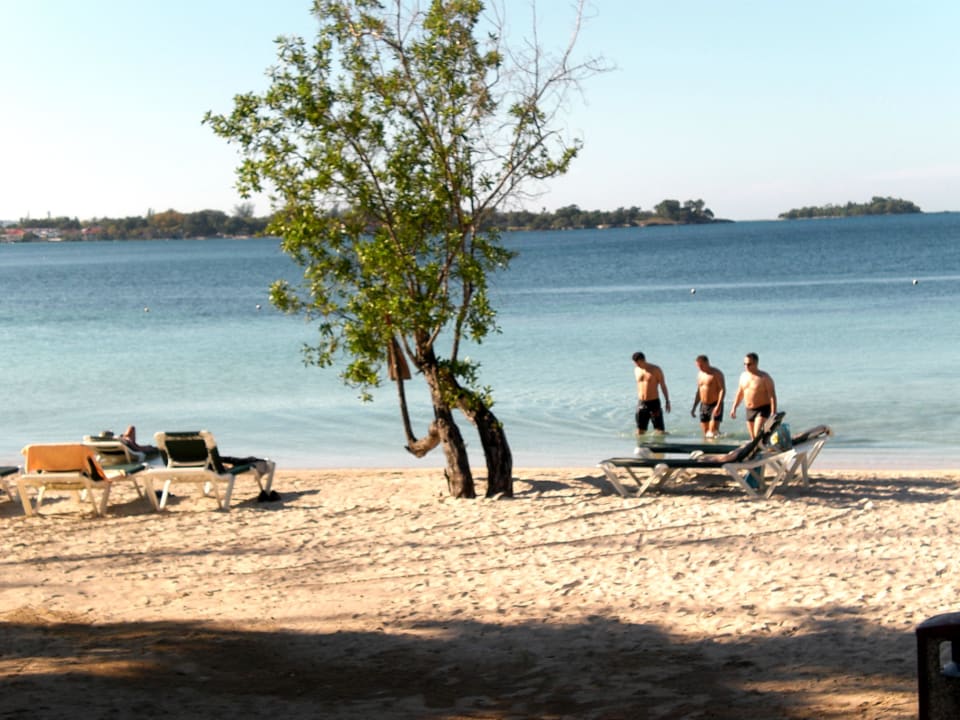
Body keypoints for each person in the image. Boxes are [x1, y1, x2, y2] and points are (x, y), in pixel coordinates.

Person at [730, 352, 777, 438]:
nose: (746, 366)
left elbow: (772, 396)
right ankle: (761, 449)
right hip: (749, 410)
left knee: (757, 434)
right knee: (753, 438)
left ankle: (765, 447)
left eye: (749, 364)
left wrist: (773, 413)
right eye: (744, 364)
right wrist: (734, 407)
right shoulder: (743, 376)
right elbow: (740, 393)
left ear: (756, 363)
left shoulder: (764, 377)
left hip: (763, 409)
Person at [632, 351, 671, 436]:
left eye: (638, 363)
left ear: (643, 360)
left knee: (659, 431)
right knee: (640, 431)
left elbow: (663, 386)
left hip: (654, 403)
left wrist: (667, 401)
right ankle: (641, 447)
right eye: (635, 363)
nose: (637, 365)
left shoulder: (656, 369)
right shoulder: (636, 370)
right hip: (641, 403)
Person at [690, 354, 725, 437]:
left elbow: (722, 390)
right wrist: (694, 407)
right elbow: (699, 392)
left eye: (701, 365)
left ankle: (717, 446)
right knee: (706, 433)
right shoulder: (700, 374)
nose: (700, 368)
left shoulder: (716, 373)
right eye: (698, 366)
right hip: (704, 405)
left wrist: (718, 406)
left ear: (707, 363)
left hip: (715, 404)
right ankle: (709, 447)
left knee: (712, 432)